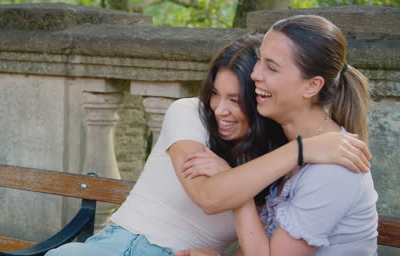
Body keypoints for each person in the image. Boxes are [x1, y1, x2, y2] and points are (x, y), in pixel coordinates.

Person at [45, 34, 372, 256]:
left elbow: (260, 245)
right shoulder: (189, 115)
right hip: (119, 246)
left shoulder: (274, 162)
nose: (220, 109)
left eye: (234, 99)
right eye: (215, 93)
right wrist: (301, 149)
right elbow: (208, 196)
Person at [178, 15, 378, 256]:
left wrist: (236, 190)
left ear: (311, 86)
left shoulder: (333, 170)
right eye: (259, 61)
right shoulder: (287, 149)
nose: (255, 75)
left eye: (271, 67)